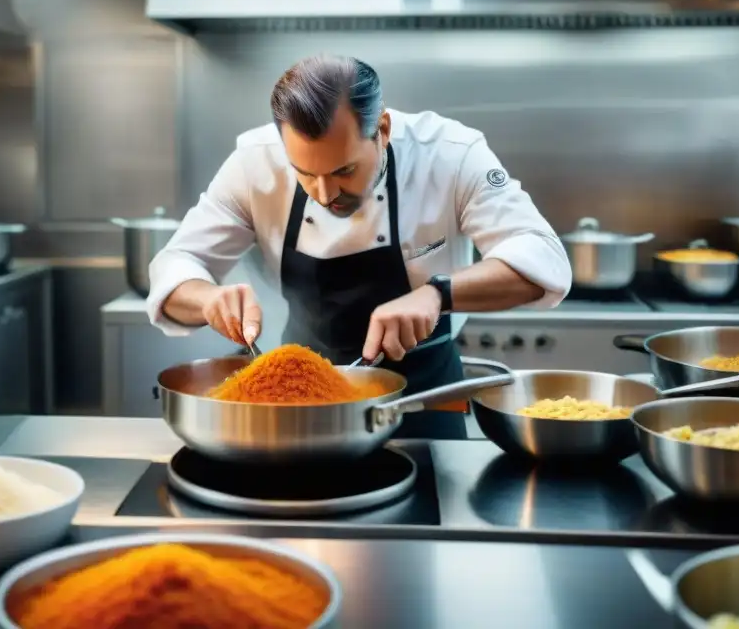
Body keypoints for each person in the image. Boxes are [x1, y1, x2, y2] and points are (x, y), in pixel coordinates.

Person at [147, 55, 572, 439]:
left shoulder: (451, 155)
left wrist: (438, 293)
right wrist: (207, 300)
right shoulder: (252, 164)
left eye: (344, 170)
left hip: (425, 391)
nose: (325, 193)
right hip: (299, 401)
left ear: (382, 130)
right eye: (304, 174)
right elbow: (177, 263)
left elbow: (543, 259)